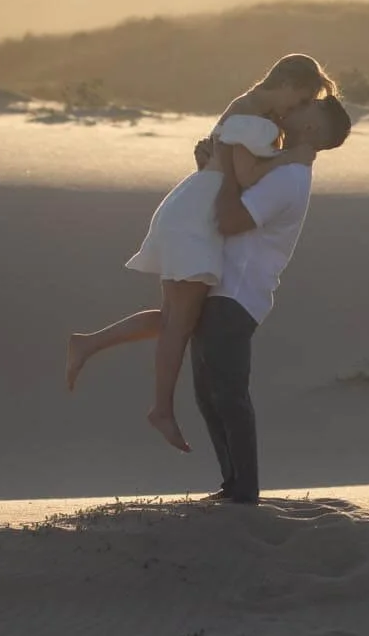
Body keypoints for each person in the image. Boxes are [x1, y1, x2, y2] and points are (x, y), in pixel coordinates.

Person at [65, 55, 335, 449]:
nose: (293, 111)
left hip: (190, 209)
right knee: (179, 323)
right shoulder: (254, 119)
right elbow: (244, 177)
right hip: (196, 220)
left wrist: (229, 160)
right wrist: (289, 157)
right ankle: (160, 409)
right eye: (299, 101)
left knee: (176, 315)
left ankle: (88, 344)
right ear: (289, 84)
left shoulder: (245, 108)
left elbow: (229, 168)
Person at [191, 93, 352, 503]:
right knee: (209, 394)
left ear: (313, 127)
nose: (294, 105)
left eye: (306, 105)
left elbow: (230, 220)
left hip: (238, 293)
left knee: (227, 393)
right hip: (220, 287)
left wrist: (224, 164)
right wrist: (210, 169)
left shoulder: (289, 176)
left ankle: (244, 491)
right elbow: (226, 204)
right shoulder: (276, 164)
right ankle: (232, 485)